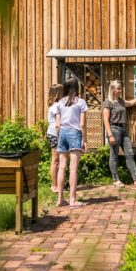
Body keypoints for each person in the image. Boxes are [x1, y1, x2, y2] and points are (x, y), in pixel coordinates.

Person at [102, 80, 136, 187]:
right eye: (118, 88)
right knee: (114, 156)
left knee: (129, 154)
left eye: (120, 88)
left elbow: (131, 102)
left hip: (123, 130)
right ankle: (116, 180)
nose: (120, 90)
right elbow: (105, 120)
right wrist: (110, 135)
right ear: (113, 90)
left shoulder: (121, 101)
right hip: (114, 129)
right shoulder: (108, 103)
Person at [55, 78, 88, 207]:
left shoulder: (59, 103)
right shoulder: (81, 102)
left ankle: (60, 199)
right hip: (74, 133)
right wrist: (84, 140)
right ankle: (73, 199)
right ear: (77, 88)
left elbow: (57, 125)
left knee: (62, 167)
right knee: (73, 168)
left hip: (62, 133)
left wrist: (59, 138)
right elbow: (82, 124)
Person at [46, 84, 63, 193]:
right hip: (55, 134)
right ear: (58, 93)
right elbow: (57, 124)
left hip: (53, 134)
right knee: (56, 160)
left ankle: (58, 184)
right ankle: (54, 185)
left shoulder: (55, 105)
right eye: (62, 92)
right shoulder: (56, 106)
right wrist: (59, 136)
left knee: (58, 160)